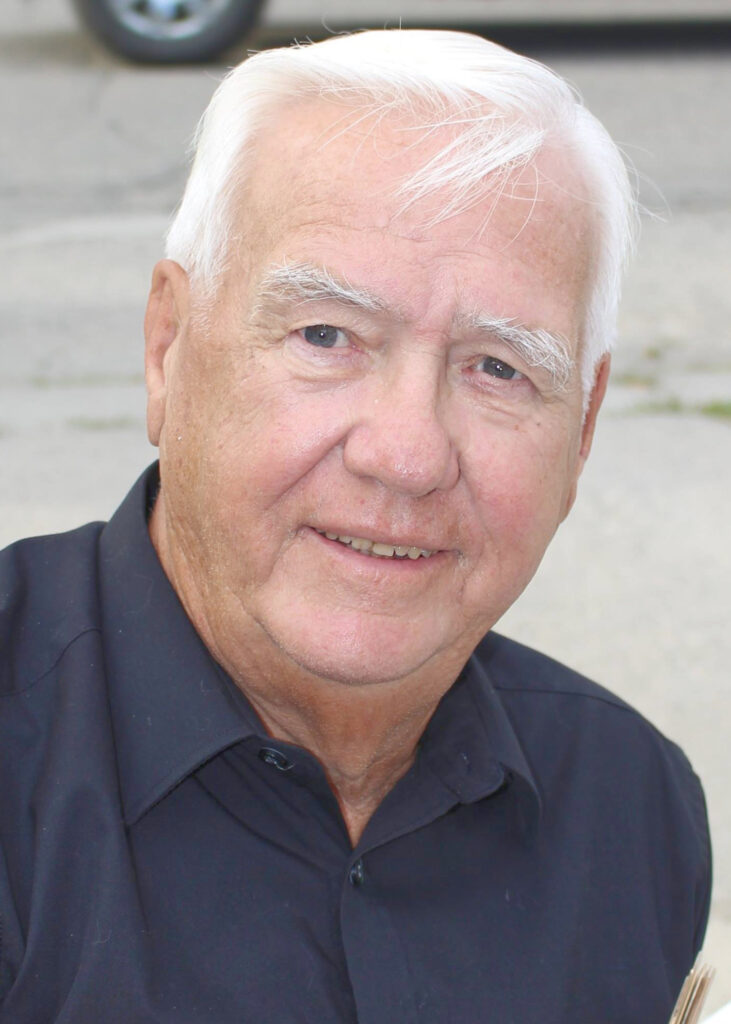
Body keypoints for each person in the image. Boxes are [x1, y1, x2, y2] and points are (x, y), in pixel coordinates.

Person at [0, 29, 710, 1024]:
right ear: (169, 347)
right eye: (326, 336)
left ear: (582, 428)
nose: (407, 455)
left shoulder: (629, 811)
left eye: (497, 368)